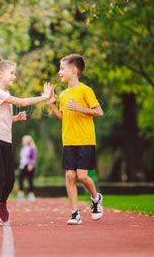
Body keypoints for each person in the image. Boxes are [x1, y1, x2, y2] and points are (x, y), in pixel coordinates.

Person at [0, 57, 52, 227]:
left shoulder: (5, 94)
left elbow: (1, 118)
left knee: (11, 179)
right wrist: (44, 97)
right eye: (11, 73)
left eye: (15, 73)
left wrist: (15, 118)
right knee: (0, 176)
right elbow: (23, 102)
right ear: (0, 73)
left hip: (6, 140)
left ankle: (2, 202)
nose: (14, 76)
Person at [47, 54, 104, 225]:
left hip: (85, 139)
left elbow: (99, 112)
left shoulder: (86, 90)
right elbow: (63, 117)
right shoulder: (63, 95)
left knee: (82, 176)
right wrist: (50, 103)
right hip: (69, 140)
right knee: (70, 176)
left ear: (73, 70)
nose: (59, 72)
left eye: (62, 68)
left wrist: (79, 108)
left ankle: (96, 198)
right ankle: (74, 213)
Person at [17, 135, 37, 201]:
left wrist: (31, 164)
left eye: (26, 140)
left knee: (30, 180)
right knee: (20, 179)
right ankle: (21, 194)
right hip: (23, 166)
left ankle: (31, 195)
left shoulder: (32, 147)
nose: (24, 141)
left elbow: (32, 157)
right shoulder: (23, 148)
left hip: (29, 166)